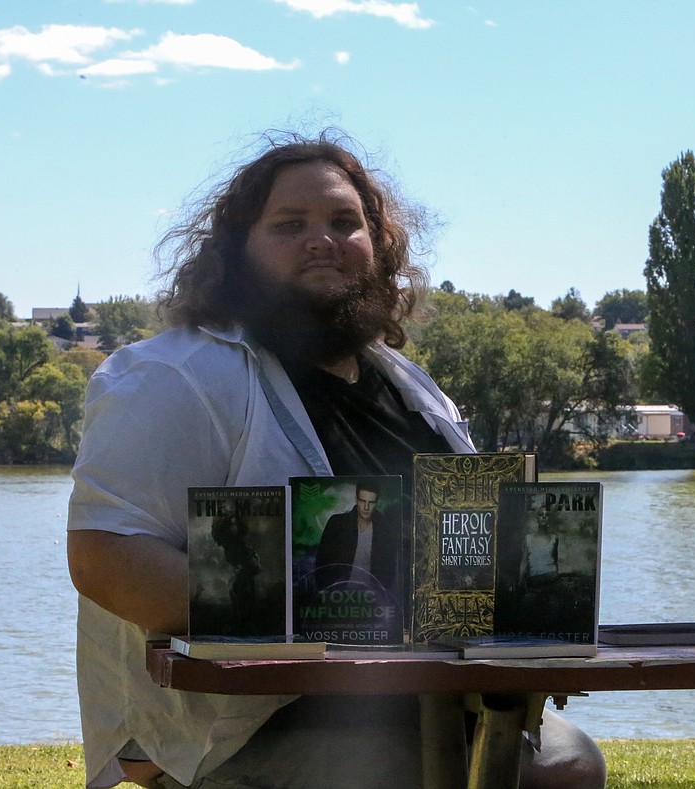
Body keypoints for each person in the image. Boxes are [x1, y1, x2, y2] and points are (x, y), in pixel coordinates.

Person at [66, 130, 607, 789]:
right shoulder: (174, 375)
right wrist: (307, 612)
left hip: (424, 700)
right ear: (237, 251)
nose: (321, 239)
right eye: (289, 224)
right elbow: (104, 556)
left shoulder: (412, 387)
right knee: (395, 771)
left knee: (569, 762)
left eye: (345, 221)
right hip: (235, 726)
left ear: (378, 245)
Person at [313, 480, 398, 593]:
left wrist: (382, 592)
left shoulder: (384, 528)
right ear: (356, 499)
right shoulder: (337, 523)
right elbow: (322, 561)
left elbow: (389, 564)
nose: (366, 507)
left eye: (371, 502)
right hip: (338, 595)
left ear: (376, 503)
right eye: (363, 501)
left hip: (372, 597)